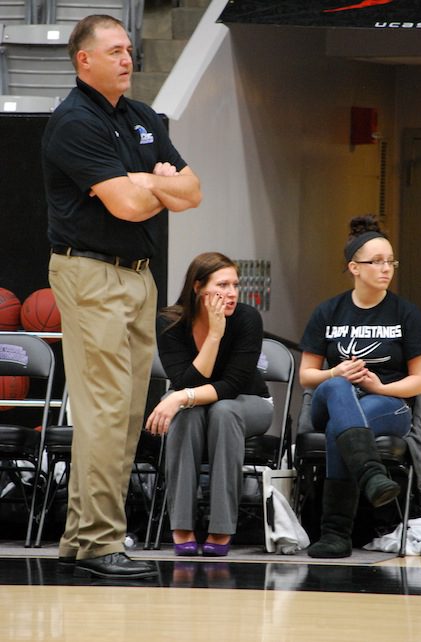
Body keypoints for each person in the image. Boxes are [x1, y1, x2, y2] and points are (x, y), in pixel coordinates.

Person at [42, 14, 201, 579]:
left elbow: (194, 190)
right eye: (115, 51)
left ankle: (81, 538)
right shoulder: (72, 122)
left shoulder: (140, 116)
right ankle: (103, 540)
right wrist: (157, 185)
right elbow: (129, 207)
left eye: (130, 49)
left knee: (125, 412)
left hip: (140, 275)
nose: (128, 59)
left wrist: (147, 182)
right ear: (85, 60)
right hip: (91, 274)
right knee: (106, 410)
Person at [299, 215, 421, 559]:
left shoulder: (406, 313)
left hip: (388, 403)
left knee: (340, 430)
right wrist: (335, 372)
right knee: (339, 387)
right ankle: (371, 475)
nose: (386, 268)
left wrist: (379, 386)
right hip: (331, 397)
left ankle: (335, 534)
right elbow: (307, 376)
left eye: (390, 261)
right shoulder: (328, 311)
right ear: (354, 267)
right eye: (377, 262)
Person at [146, 252, 274, 557]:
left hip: (250, 403)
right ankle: (181, 525)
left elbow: (231, 386)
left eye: (235, 285)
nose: (231, 293)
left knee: (223, 410)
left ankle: (222, 526)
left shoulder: (246, 319)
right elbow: (185, 380)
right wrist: (214, 336)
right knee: (188, 416)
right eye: (222, 285)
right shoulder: (170, 322)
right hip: (196, 405)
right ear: (198, 287)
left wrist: (178, 397)